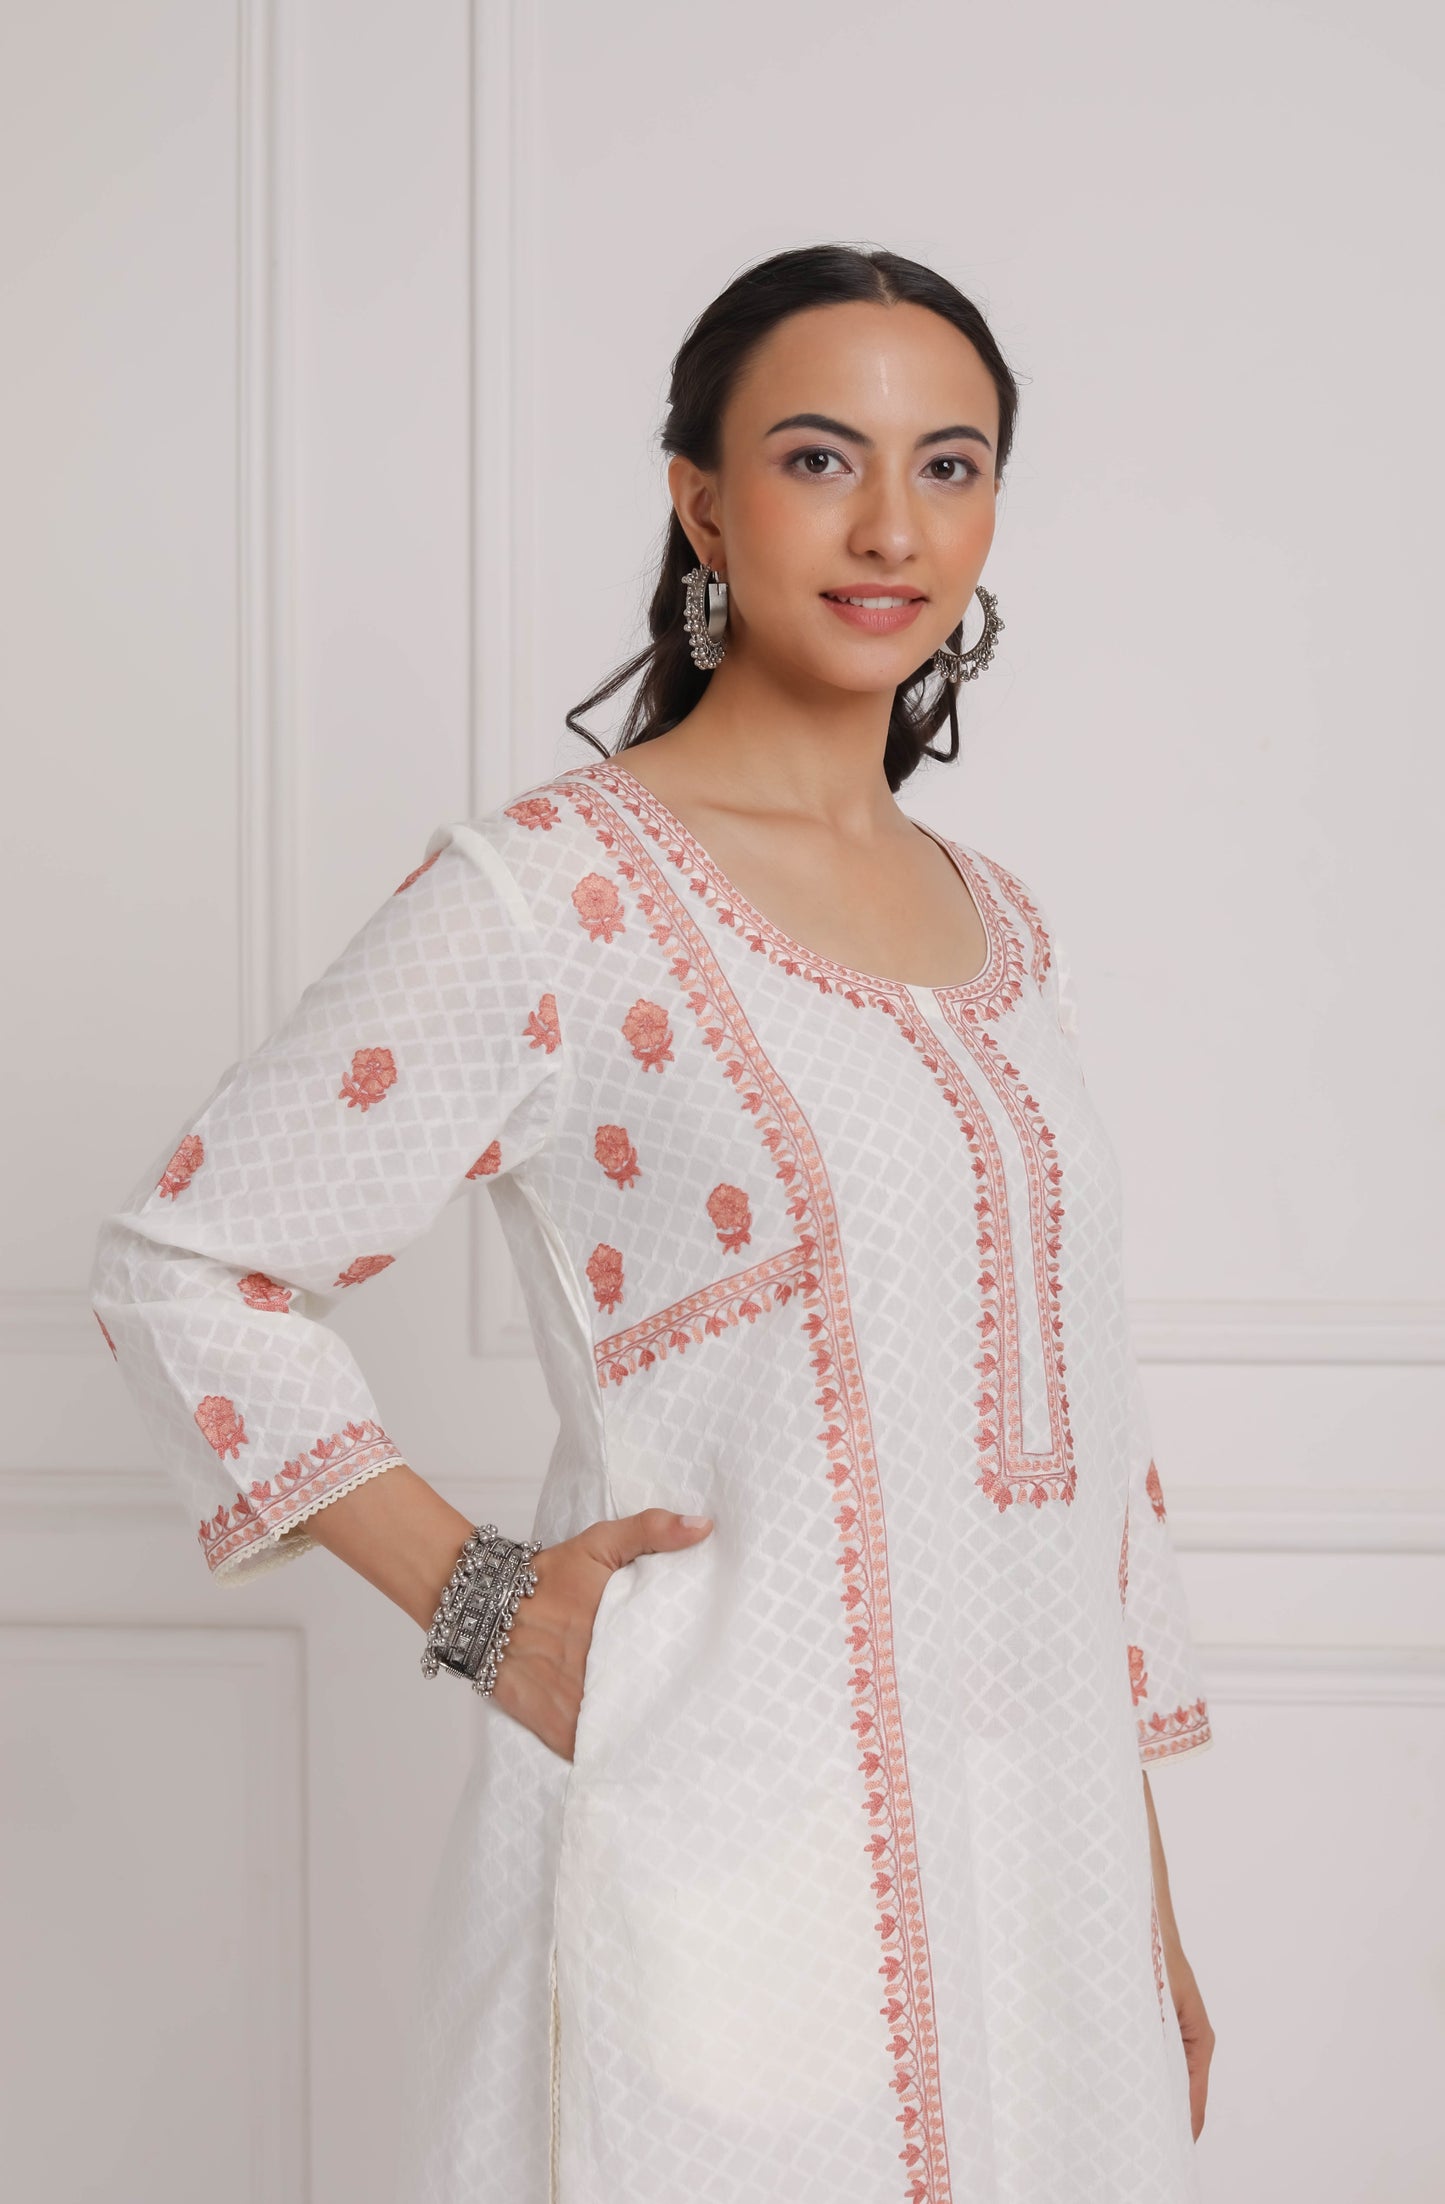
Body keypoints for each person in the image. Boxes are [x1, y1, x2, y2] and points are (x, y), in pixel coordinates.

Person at [91, 242, 1215, 2203]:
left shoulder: (1005, 922)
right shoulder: (556, 898)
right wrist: (484, 1605)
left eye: (950, 466)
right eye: (818, 458)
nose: (891, 527)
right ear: (702, 502)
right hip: (716, 1860)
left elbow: (1084, 1470)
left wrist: (1145, 1906)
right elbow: (184, 1265)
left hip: (1035, 1903)